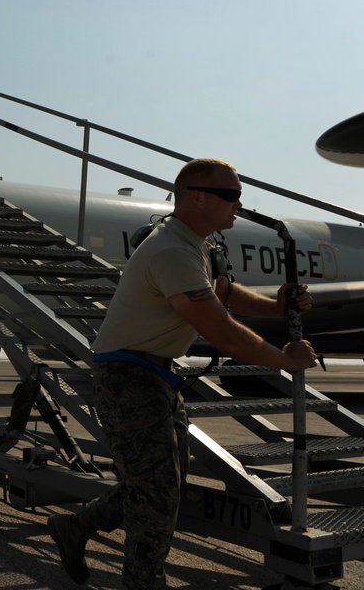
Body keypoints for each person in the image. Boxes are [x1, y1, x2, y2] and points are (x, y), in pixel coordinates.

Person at [47, 158, 317, 589]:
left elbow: (222, 293)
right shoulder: (171, 250)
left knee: (160, 485)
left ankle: (75, 527)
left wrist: (277, 306)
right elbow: (221, 332)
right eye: (231, 196)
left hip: (155, 374)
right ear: (196, 197)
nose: (239, 204)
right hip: (128, 375)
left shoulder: (197, 245)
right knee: (156, 492)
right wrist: (285, 360)